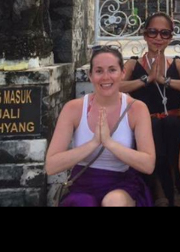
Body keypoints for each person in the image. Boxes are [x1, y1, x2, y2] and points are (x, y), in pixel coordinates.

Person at [46, 46, 155, 207]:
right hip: (83, 184)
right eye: (99, 71)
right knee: (84, 203)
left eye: (112, 70)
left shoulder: (136, 108)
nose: (106, 77)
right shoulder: (73, 108)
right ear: (90, 76)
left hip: (121, 184)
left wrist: (109, 143)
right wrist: (94, 143)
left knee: (113, 202)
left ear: (122, 73)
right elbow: (51, 166)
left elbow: (148, 164)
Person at [121, 12, 180, 206]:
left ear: (171, 37)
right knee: (153, 126)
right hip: (146, 121)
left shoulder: (176, 63)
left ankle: (175, 186)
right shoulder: (133, 63)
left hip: (172, 120)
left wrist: (165, 80)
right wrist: (145, 80)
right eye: (153, 32)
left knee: (172, 124)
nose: (158, 38)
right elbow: (117, 87)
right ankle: (158, 189)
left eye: (164, 33)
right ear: (145, 35)